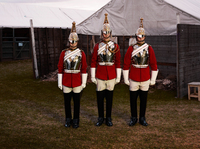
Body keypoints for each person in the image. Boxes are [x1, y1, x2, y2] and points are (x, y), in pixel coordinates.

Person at [123, 18, 158, 126]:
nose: (140, 37)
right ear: (136, 36)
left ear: (145, 36)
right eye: (138, 36)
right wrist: (125, 78)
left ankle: (142, 118)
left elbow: (153, 64)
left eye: (142, 36)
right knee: (133, 100)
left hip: (145, 78)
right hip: (133, 77)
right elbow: (126, 63)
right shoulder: (131, 48)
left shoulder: (149, 48)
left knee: (144, 100)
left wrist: (152, 79)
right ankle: (133, 117)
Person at [90, 13, 121, 127]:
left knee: (109, 98)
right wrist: (93, 76)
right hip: (100, 74)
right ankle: (100, 118)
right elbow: (93, 61)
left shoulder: (115, 46)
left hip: (111, 75)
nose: (106, 35)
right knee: (99, 98)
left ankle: (108, 118)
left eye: (108, 33)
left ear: (110, 33)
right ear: (102, 34)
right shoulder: (97, 46)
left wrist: (118, 76)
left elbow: (118, 62)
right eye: (104, 33)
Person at [57, 22, 88, 128]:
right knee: (67, 103)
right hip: (66, 80)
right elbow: (60, 68)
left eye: (74, 41)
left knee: (76, 103)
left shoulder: (81, 53)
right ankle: (68, 119)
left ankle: (76, 120)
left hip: (76, 80)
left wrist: (83, 82)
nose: (72, 43)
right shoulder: (63, 53)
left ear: (77, 42)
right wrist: (60, 82)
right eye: (71, 41)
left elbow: (84, 68)